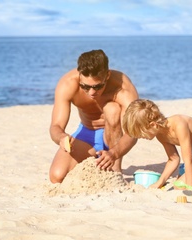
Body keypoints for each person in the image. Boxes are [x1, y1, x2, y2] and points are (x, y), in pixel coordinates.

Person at [49, 49, 138, 183]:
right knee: (57, 177)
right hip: (87, 135)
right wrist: (61, 137)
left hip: (114, 138)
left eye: (97, 87)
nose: (91, 92)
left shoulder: (122, 87)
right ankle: (98, 158)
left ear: (107, 76)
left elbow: (133, 131)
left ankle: (115, 171)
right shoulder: (68, 84)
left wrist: (114, 153)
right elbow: (56, 126)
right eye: (85, 86)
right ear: (80, 76)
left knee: (112, 108)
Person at [122, 99, 192, 189]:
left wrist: (189, 187)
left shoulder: (179, 125)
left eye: (141, 134)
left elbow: (188, 160)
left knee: (182, 184)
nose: (141, 137)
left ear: (153, 125)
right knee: (178, 184)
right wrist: (160, 182)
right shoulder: (160, 135)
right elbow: (173, 159)